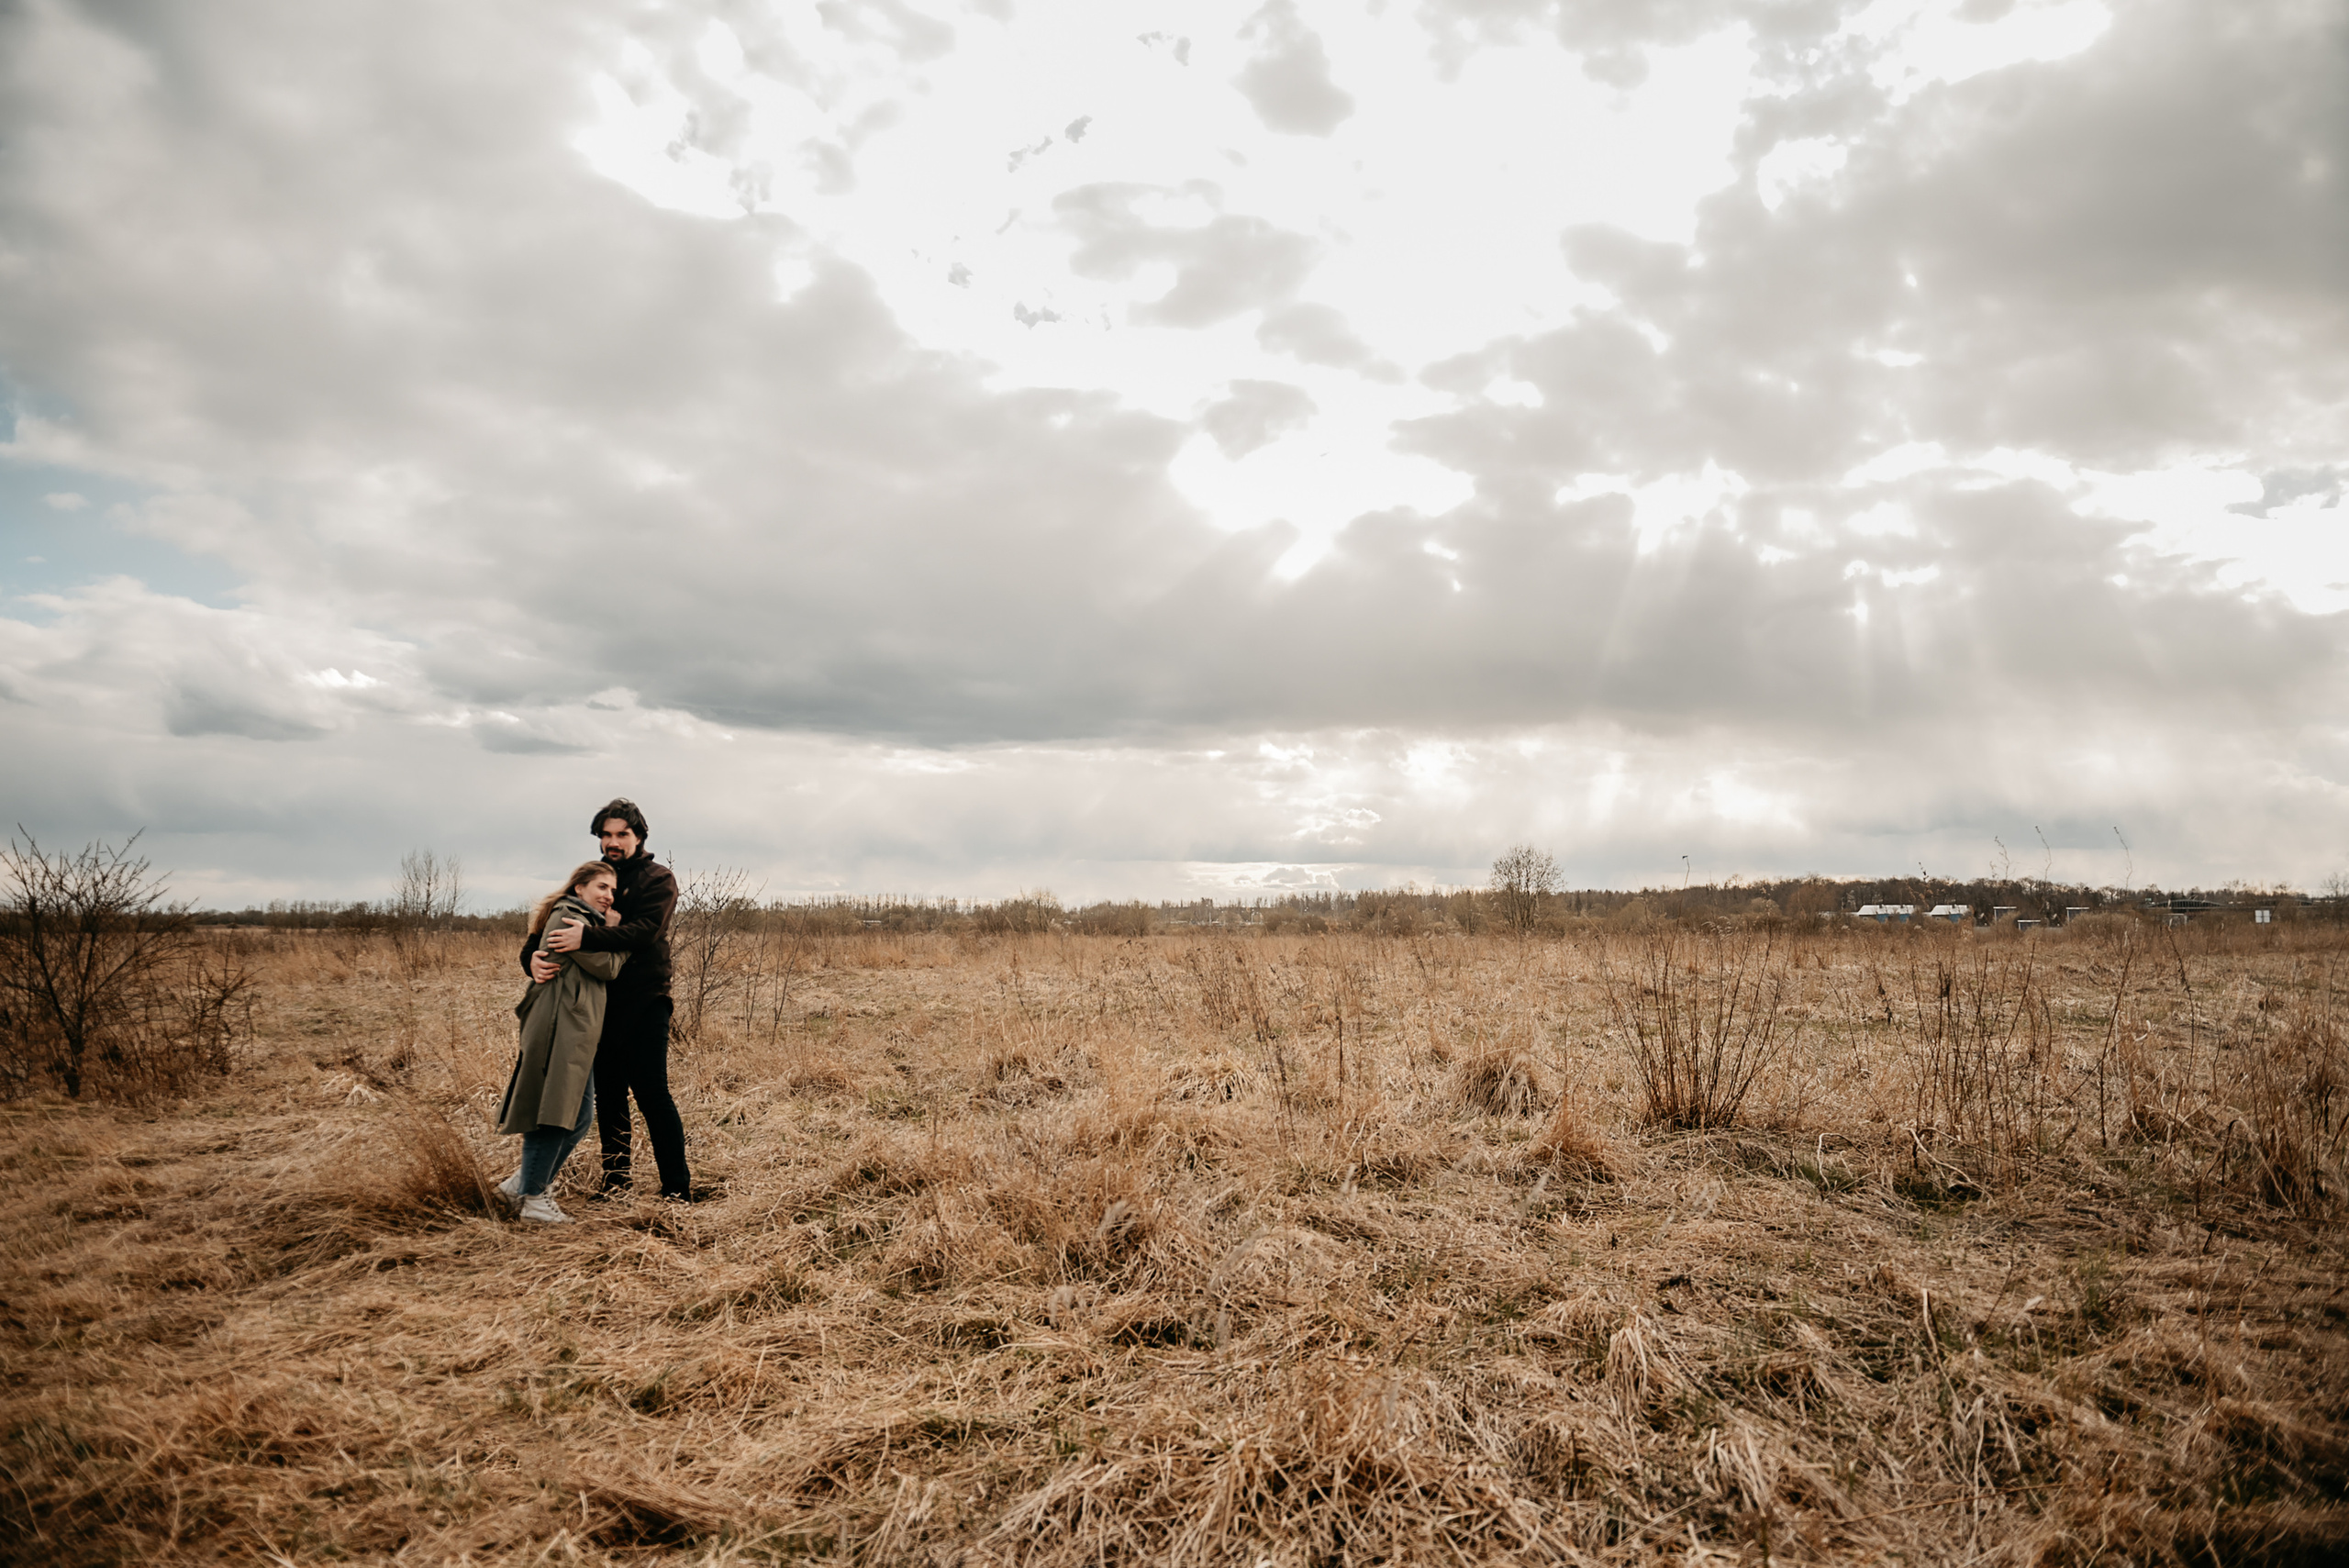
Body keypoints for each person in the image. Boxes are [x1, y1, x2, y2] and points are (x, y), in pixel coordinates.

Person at [528, 797, 689, 1201]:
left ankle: (677, 1189)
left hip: (647, 1001)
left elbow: (645, 931)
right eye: (606, 835)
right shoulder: (595, 877)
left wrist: (589, 936)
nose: (613, 842)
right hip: (598, 1006)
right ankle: (616, 1184)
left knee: (653, 1094)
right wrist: (529, 957)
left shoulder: (658, 879)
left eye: (622, 834)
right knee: (609, 1097)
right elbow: (550, 918)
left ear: (639, 836)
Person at [495, 862, 625, 1223]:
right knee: (553, 1116)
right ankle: (534, 1200)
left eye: (612, 890)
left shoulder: (584, 920)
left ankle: (520, 1187)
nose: (608, 896)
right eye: (602, 887)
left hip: (573, 1026)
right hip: (559, 1025)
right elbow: (609, 967)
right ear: (580, 887)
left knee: (579, 1118)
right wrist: (615, 933)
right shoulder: (570, 919)